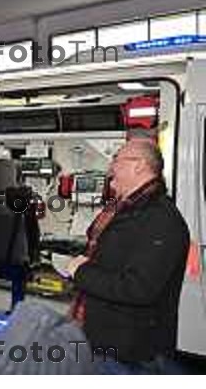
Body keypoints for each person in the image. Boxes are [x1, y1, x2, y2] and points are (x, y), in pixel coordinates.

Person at [66, 138, 190, 374]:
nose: (110, 167)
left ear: (139, 166)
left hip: (128, 353)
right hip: (98, 338)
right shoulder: (122, 210)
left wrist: (80, 272)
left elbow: (138, 288)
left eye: (116, 159)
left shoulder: (161, 220)